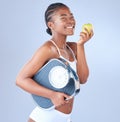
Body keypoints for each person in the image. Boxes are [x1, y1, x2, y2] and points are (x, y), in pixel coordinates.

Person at [16, 2, 94, 122]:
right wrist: (52, 95)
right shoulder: (48, 49)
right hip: (44, 117)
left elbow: (83, 79)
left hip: (65, 118)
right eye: (64, 17)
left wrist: (80, 45)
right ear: (51, 25)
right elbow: (20, 80)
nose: (70, 21)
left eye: (71, 17)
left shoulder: (73, 47)